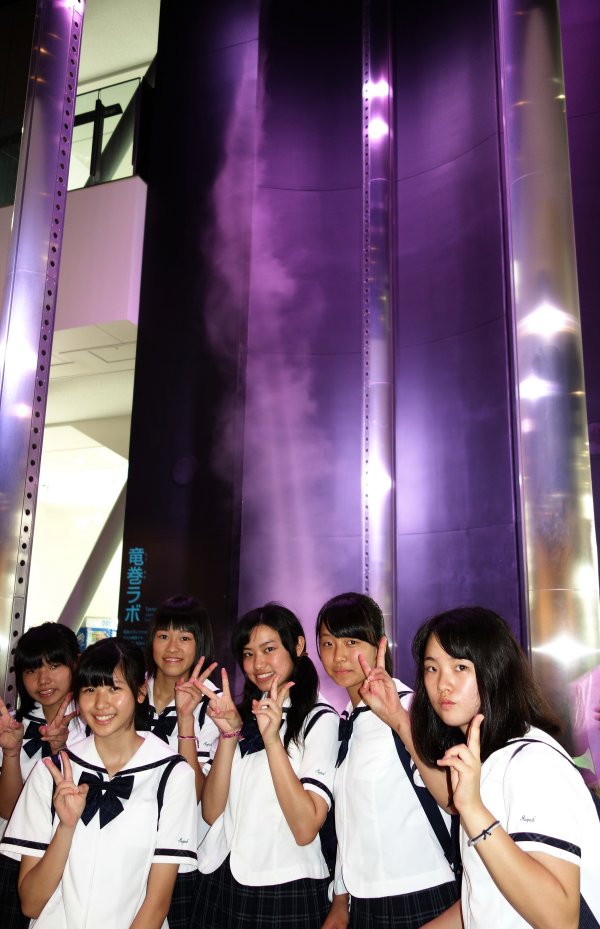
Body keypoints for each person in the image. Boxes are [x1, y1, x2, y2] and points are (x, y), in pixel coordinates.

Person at [408, 606, 600, 929]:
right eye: (431, 668)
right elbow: (488, 893)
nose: (443, 684)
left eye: (460, 667)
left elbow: (560, 918)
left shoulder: (532, 764)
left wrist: (473, 810)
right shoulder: (489, 760)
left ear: (495, 670)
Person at [0, 637, 197, 929]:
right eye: (90, 689)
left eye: (114, 688)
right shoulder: (52, 772)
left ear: (140, 691)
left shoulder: (172, 774)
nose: (101, 703)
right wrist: (65, 828)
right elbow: (30, 904)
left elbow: (157, 904)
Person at [190, 602, 339, 929]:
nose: (258, 664)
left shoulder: (319, 719)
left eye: (269, 649)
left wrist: (273, 741)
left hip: (282, 886)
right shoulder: (240, 715)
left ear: (297, 646)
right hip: (218, 879)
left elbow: (305, 828)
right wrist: (229, 734)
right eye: (248, 653)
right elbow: (211, 813)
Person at [316, 592, 459, 929]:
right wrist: (341, 899)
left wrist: (398, 720)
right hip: (365, 901)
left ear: (379, 644)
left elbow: (454, 799)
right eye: (328, 643)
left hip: (422, 894)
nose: (339, 656)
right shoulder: (346, 722)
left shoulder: (414, 708)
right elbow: (350, 821)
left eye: (351, 642)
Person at [0, 622, 84, 929]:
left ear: (76, 663)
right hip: (17, 859)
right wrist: (11, 752)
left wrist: (62, 750)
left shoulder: (97, 727)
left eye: (54, 665)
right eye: (32, 669)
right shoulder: (13, 727)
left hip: (74, 861)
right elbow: (9, 812)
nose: (43, 679)